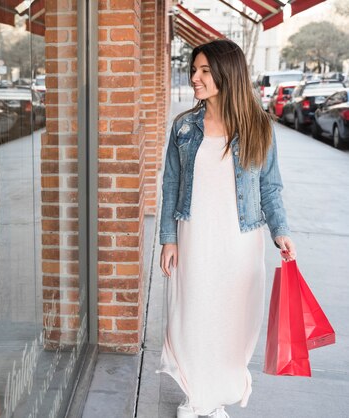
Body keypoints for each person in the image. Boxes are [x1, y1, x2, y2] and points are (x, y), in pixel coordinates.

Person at [157, 39, 297, 418]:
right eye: (194, 70)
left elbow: (270, 185)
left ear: (226, 74)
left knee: (232, 320)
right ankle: (195, 395)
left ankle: (216, 398)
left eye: (204, 71)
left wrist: (280, 231)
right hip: (194, 237)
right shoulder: (184, 128)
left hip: (240, 242)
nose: (195, 78)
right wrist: (168, 239)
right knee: (193, 314)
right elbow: (171, 184)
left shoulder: (257, 126)